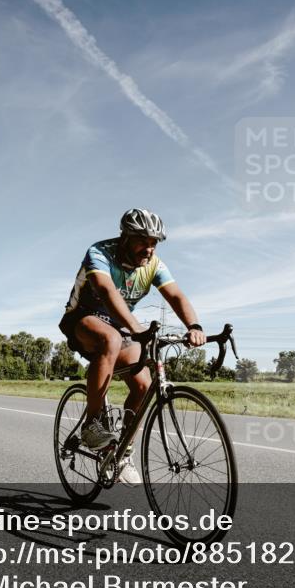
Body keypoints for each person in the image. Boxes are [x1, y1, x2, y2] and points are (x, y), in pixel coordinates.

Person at [59, 208, 205, 486]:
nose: (149, 248)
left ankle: (123, 451)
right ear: (125, 236)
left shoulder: (154, 265)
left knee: (143, 384)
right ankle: (92, 424)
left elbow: (175, 295)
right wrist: (136, 328)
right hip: (82, 319)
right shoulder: (100, 252)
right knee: (109, 340)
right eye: (143, 240)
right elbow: (106, 291)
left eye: (154, 243)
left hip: (121, 324)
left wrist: (193, 326)